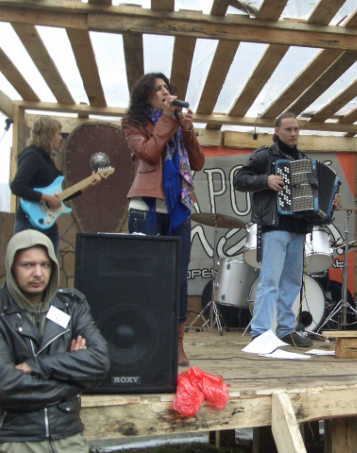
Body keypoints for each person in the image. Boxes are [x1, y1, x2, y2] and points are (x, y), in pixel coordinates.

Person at [234, 112, 339, 347]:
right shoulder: (265, 156)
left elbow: (314, 198)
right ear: (277, 131)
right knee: (269, 280)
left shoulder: (304, 159)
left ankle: (285, 330)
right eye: (288, 129)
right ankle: (260, 332)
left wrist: (331, 201)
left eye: (296, 129)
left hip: (299, 229)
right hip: (274, 226)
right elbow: (239, 179)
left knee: (292, 283)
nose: (293, 133)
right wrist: (266, 180)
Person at [0, 229, 110, 453]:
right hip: (18, 438)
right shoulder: (3, 315)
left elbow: (100, 360)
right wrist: (74, 382)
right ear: (12, 267)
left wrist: (38, 365)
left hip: (69, 435)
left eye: (45, 265)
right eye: (28, 265)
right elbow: (6, 384)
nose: (38, 273)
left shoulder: (71, 305)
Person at [122, 72, 205, 366]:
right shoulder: (133, 123)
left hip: (178, 207)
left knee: (178, 278)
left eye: (167, 87)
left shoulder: (177, 123)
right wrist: (168, 120)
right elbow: (149, 152)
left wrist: (188, 129)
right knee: (145, 277)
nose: (165, 92)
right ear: (146, 95)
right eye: (158, 89)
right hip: (146, 207)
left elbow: (198, 162)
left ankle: (176, 343)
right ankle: (144, 339)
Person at [10, 116, 100, 256]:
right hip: (29, 223)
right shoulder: (32, 155)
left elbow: (58, 196)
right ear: (48, 135)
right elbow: (17, 186)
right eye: (58, 134)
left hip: (47, 223)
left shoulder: (47, 160)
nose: (60, 138)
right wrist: (47, 198)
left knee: (51, 265)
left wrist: (88, 186)